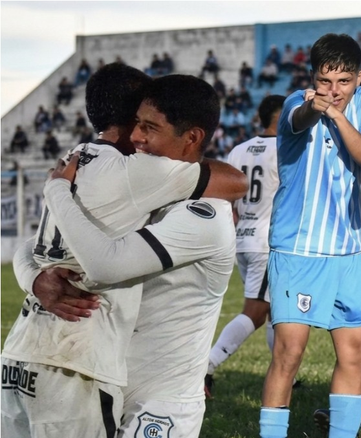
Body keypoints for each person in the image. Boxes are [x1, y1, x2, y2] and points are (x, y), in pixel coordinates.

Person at [2, 65, 246, 438]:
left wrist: (56, 192)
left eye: (149, 126)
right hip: (89, 368)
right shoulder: (132, 178)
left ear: (191, 136)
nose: (137, 136)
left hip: (155, 400)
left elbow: (105, 264)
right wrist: (36, 280)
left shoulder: (203, 214)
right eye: (136, 123)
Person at [258, 33, 361, 438]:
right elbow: (301, 118)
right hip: (298, 251)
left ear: (359, 78)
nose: (333, 91)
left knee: (355, 353)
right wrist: (316, 107)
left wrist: (338, 116)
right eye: (325, 82)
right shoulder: (298, 103)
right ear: (312, 79)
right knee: (288, 354)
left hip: (348, 251)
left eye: (344, 82)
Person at [206, 95, 285, 395]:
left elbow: (230, 199)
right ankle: (206, 367)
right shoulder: (286, 149)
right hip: (267, 241)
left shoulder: (238, 150)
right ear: (282, 117)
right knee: (255, 310)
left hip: (244, 238)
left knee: (275, 312)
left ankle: (284, 377)